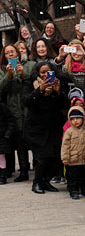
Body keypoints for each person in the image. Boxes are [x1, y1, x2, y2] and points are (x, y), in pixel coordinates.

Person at [22, 62, 69, 194]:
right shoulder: (30, 83)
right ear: (38, 73)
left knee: (55, 158)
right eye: (42, 72)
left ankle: (46, 182)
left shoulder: (58, 82)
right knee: (42, 157)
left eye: (48, 72)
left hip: (54, 126)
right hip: (36, 128)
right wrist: (40, 90)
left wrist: (58, 92)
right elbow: (26, 101)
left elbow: (65, 103)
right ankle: (37, 183)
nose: (45, 75)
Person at [0, 43, 35, 182]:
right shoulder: (2, 70)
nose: (10, 55)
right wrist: (8, 75)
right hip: (12, 109)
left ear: (17, 53)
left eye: (12, 52)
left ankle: (30, 168)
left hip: (27, 108)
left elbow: (32, 83)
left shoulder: (27, 65)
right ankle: (17, 170)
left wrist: (22, 74)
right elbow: (1, 89)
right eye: (7, 53)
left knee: (27, 140)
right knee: (17, 141)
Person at [60, 105, 85, 199]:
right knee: (73, 177)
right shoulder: (69, 131)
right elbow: (65, 146)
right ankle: (73, 191)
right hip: (73, 160)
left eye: (78, 118)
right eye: (72, 119)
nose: (75, 121)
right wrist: (65, 158)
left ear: (83, 118)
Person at [0, 101, 16, 184]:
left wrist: (8, 133)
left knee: (1, 156)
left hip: (2, 136)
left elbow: (11, 120)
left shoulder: (2, 107)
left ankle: (2, 177)